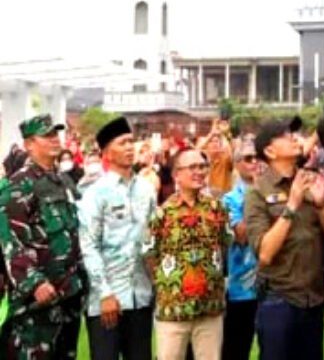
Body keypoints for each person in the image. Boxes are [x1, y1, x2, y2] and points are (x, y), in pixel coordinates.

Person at [244, 116, 324, 360]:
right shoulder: (258, 193)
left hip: (313, 296)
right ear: (269, 151)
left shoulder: (311, 180)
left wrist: (321, 204)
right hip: (279, 298)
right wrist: (292, 205)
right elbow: (264, 253)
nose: (295, 138)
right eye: (286, 136)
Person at [0, 114, 85, 359]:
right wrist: (34, 282)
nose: (54, 140)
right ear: (29, 144)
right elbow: (11, 240)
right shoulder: (17, 185)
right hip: (37, 301)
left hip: (68, 292)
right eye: (46, 136)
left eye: (55, 134)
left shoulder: (63, 182)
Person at [78, 115, 158, 360]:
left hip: (141, 297)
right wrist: (104, 294)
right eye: (122, 143)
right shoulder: (95, 193)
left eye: (131, 141)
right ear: (107, 153)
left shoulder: (146, 189)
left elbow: (152, 239)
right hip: (107, 300)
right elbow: (89, 245)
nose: (129, 147)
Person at [147, 148, 231, 360]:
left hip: (210, 308)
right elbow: (150, 254)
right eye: (192, 167)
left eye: (202, 167)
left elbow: (224, 245)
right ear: (176, 174)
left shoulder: (216, 208)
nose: (199, 172)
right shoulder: (162, 213)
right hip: (173, 310)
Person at [222, 138, 261, 360]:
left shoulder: (273, 193)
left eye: (257, 157)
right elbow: (243, 235)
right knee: (236, 350)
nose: (254, 162)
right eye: (248, 158)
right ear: (237, 164)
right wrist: (256, 196)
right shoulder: (229, 199)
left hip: (274, 286)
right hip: (242, 289)